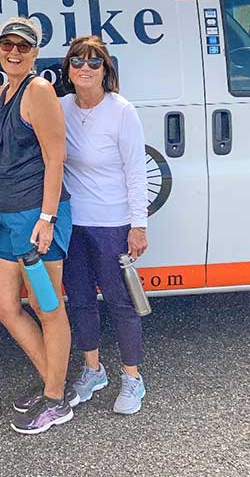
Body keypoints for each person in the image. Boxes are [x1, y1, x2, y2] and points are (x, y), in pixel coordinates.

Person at [0, 17, 77, 434]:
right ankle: (54, 381)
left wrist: (46, 218)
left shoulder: (39, 90)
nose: (14, 52)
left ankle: (57, 399)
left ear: (36, 52)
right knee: (2, 304)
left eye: (23, 46)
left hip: (35, 220)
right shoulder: (7, 90)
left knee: (48, 306)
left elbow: (56, 157)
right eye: (8, 44)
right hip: (7, 219)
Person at [59, 35, 148, 414]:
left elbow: (136, 171)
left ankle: (132, 377)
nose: (85, 68)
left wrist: (138, 225)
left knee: (119, 301)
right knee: (79, 300)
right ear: (68, 69)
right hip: (72, 222)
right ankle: (93, 370)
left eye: (94, 62)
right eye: (78, 61)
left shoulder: (121, 110)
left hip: (112, 222)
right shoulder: (60, 107)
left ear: (106, 69)